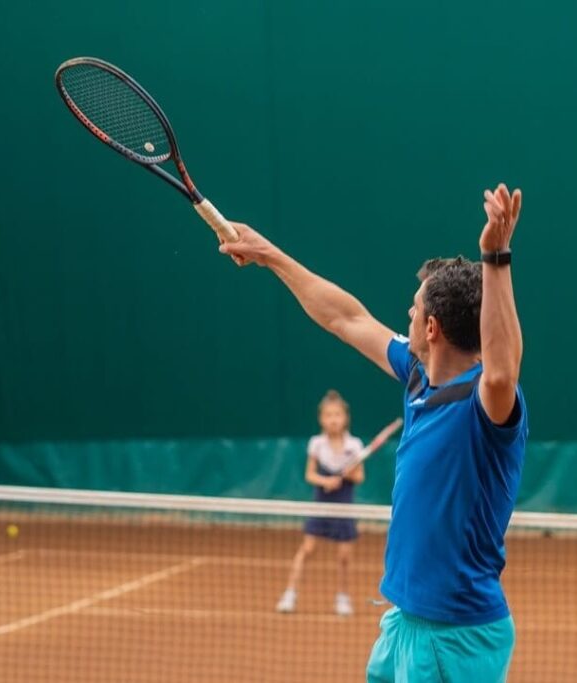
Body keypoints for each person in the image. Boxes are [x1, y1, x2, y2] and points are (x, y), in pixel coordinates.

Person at [221, 183, 527, 682]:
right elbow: (345, 317)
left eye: (414, 309)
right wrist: (269, 255)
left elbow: (502, 371)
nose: (407, 315)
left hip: (456, 637)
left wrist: (495, 257)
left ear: (432, 329)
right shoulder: (417, 375)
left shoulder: (484, 404)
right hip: (403, 622)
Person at [275, 389, 365, 617]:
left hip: (344, 504)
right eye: (328, 415)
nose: (333, 420)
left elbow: (360, 477)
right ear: (321, 419)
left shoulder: (354, 445)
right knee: (307, 549)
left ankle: (343, 597)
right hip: (321, 503)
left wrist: (349, 474)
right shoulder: (316, 444)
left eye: (338, 415)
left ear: (345, 418)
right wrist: (326, 481)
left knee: (344, 556)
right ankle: (290, 593)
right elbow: (310, 475)